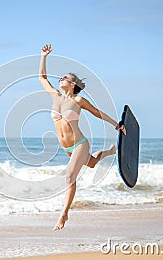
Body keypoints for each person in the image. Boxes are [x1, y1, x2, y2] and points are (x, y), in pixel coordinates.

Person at [39, 44, 126, 231]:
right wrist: (43, 56)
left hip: (79, 144)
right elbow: (42, 77)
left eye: (66, 78)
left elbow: (96, 112)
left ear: (73, 84)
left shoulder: (78, 101)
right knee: (92, 163)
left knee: (69, 176)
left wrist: (116, 124)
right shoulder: (54, 95)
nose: (61, 78)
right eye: (62, 77)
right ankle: (111, 151)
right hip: (67, 148)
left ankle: (64, 214)